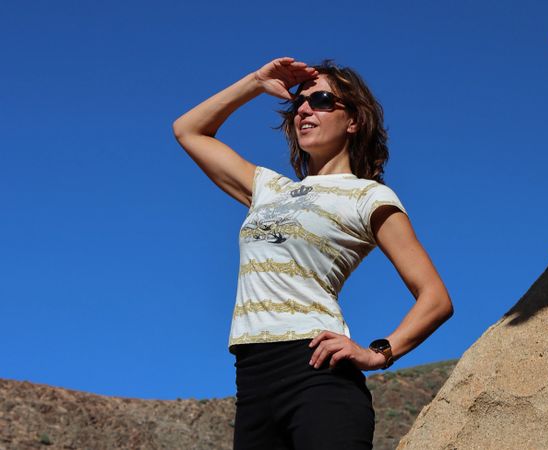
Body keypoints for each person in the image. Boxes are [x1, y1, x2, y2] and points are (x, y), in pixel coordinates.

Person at [172, 57, 454, 450]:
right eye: (297, 103)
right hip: (252, 382)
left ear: (353, 120)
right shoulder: (268, 189)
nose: (304, 109)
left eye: (320, 100)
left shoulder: (368, 197)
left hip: (317, 375)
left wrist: (379, 354)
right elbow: (188, 130)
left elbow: (435, 298)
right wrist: (255, 82)